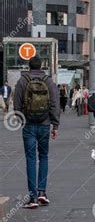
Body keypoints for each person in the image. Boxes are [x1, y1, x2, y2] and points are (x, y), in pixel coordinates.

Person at [13, 56, 60, 209]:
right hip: (45, 125)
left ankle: (32, 197)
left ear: (29, 67)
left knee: (31, 159)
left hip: (29, 125)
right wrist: (55, 125)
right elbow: (54, 104)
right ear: (42, 66)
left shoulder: (22, 81)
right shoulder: (49, 81)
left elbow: (17, 105)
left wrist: (22, 121)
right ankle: (42, 193)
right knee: (44, 157)